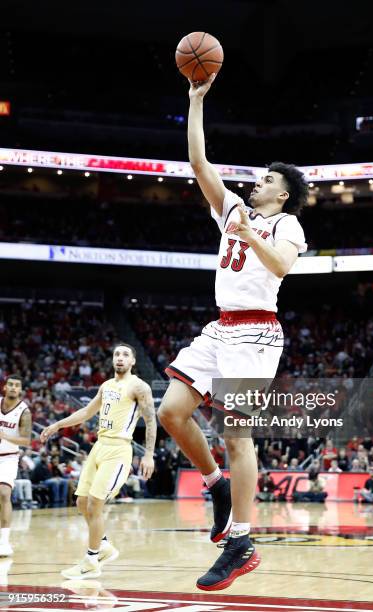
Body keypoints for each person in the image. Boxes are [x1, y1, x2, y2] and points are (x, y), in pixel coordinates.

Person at [158, 73, 307, 591]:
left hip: (257, 332)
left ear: (284, 193)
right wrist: (195, 102)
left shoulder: (287, 226)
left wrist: (250, 235)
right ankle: (217, 486)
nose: (257, 182)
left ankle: (241, 541)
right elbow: (199, 164)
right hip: (220, 327)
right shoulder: (232, 211)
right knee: (171, 411)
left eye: (267, 179)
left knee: (236, 432)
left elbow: (282, 268)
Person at [41, 343, 156, 579]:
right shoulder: (106, 386)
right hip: (99, 447)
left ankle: (91, 560)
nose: (120, 358)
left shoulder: (139, 387)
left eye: (125, 354)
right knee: (82, 502)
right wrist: (57, 424)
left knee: (95, 503)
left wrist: (148, 454)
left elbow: (151, 420)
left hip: (119, 450)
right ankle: (103, 546)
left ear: (133, 361)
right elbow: (86, 412)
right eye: (116, 354)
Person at [0, 375, 32, 556]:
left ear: (20, 390)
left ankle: (4, 542)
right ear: (5, 387)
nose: (13, 387)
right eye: (10, 384)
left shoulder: (24, 411)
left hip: (8, 457)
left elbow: (26, 440)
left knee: (4, 494)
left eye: (16, 386)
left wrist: (5, 436)